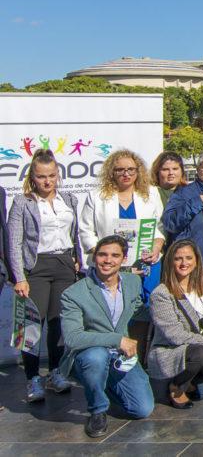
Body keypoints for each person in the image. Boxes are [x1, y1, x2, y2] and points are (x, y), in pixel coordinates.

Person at [58, 235, 154, 437]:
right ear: (94, 258)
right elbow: (73, 338)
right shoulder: (73, 293)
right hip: (89, 355)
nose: (107, 260)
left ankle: (102, 387)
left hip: (120, 358)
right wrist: (117, 339)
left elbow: (137, 310)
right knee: (96, 357)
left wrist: (164, 310)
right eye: (102, 255)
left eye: (114, 255)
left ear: (124, 259)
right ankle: (97, 410)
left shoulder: (132, 282)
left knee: (142, 409)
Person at [78, 148, 166, 363]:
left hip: (145, 265)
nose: (126, 174)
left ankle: (138, 360)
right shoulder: (97, 197)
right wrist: (105, 255)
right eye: (120, 170)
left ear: (138, 171)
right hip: (111, 267)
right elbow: (85, 231)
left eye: (131, 169)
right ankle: (112, 359)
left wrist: (157, 245)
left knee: (143, 311)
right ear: (111, 172)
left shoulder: (151, 194)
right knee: (114, 311)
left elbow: (159, 227)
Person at [6, 149, 80, 403]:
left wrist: (77, 257)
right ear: (32, 177)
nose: (47, 181)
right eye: (41, 177)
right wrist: (19, 276)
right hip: (36, 266)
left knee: (58, 323)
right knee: (31, 326)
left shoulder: (69, 199)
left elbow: (76, 233)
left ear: (58, 174)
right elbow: (13, 242)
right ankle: (32, 378)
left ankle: (55, 374)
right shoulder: (23, 203)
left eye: (51, 175)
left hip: (64, 264)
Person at [148, 240, 203, 409]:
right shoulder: (162, 294)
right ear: (170, 262)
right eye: (178, 259)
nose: (184, 263)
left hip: (200, 347)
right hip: (172, 348)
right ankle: (176, 387)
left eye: (188, 258)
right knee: (200, 353)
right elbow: (174, 334)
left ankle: (189, 381)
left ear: (196, 261)